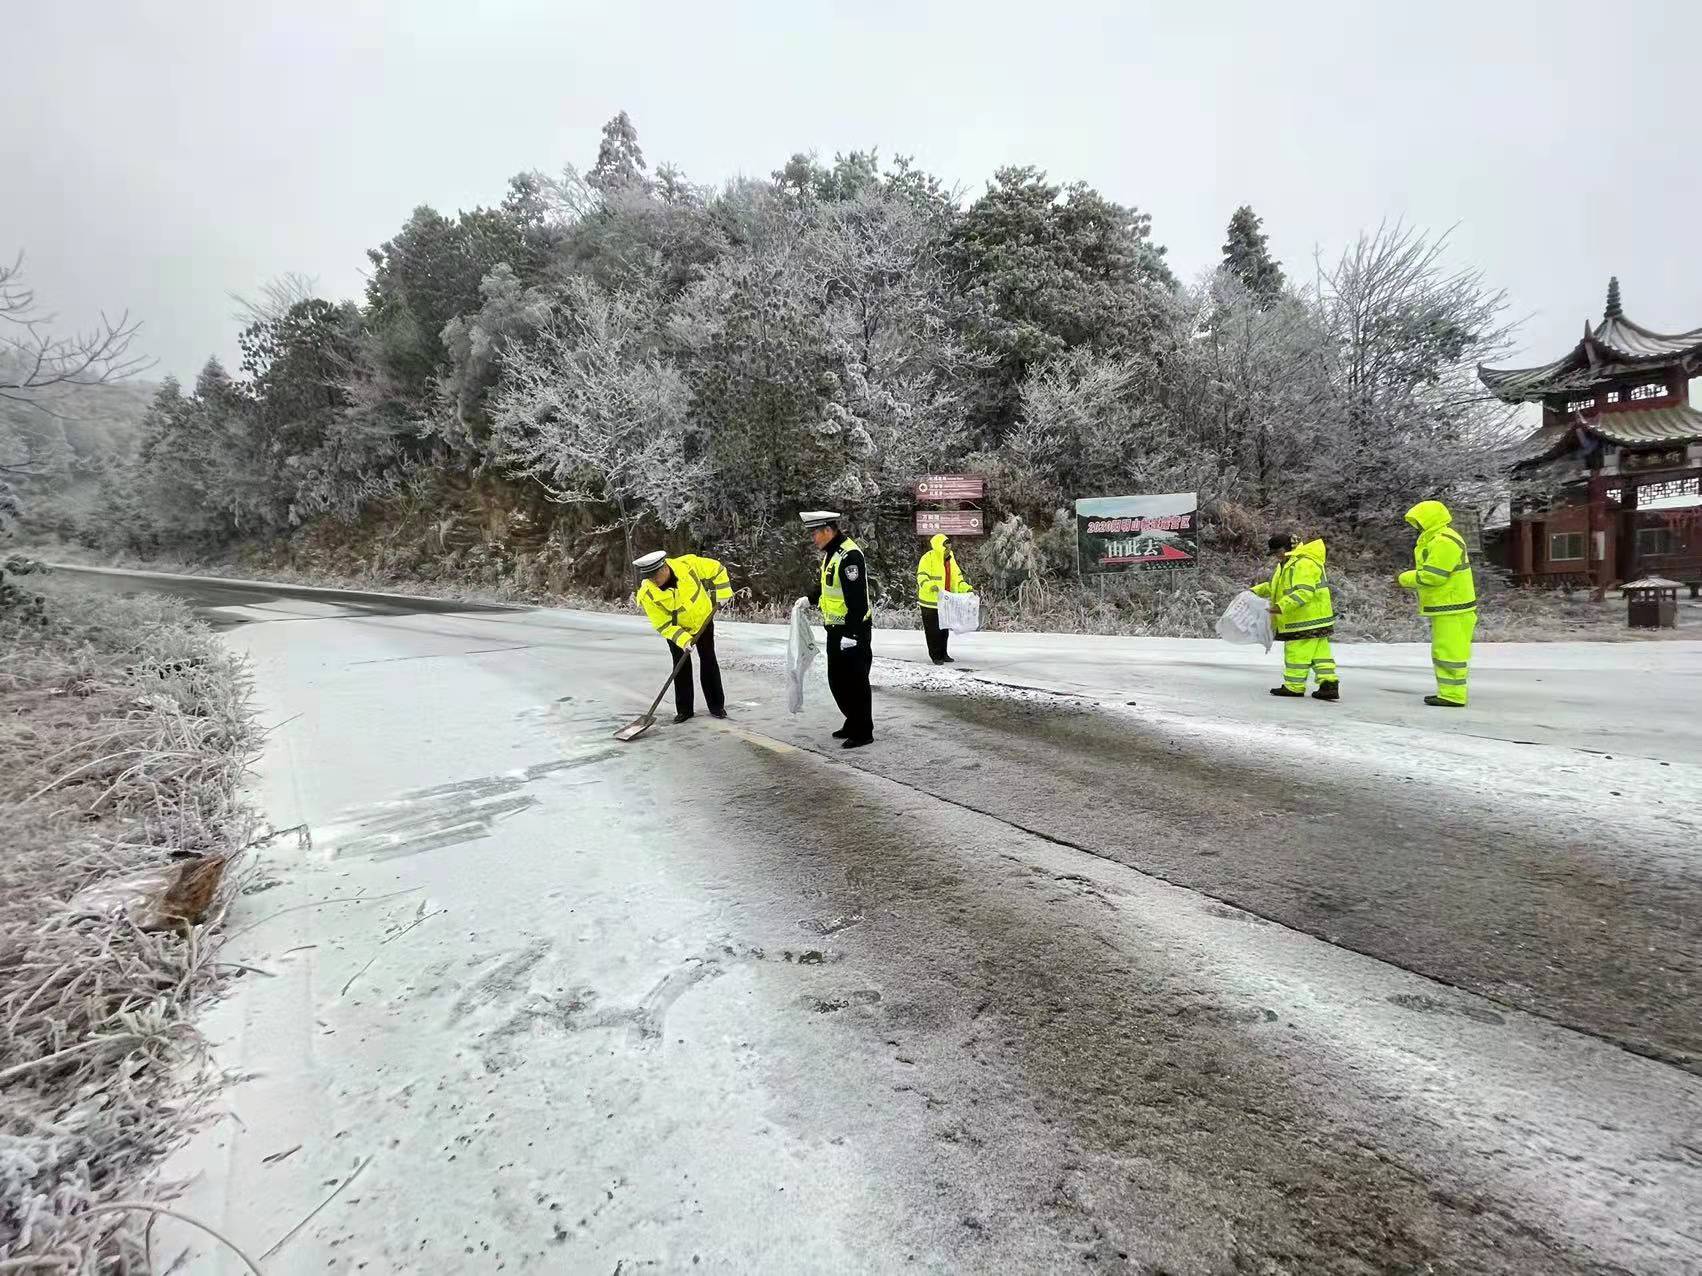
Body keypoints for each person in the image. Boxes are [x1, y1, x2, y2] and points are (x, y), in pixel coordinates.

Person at [632, 549, 734, 723]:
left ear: (664, 568)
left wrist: (723, 592)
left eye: (656, 576)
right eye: (650, 578)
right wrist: (683, 639)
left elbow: (717, 569)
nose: (654, 581)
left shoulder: (688, 565)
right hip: (677, 629)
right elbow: (663, 624)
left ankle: (717, 706)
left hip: (703, 619)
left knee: (708, 659)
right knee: (681, 666)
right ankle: (685, 710)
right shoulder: (647, 594)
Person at [802, 510, 874, 749]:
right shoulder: (832, 554)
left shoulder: (849, 555)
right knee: (838, 680)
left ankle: (863, 730)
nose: (813, 538)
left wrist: (851, 635)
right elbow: (827, 584)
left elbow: (857, 600)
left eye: (815, 533)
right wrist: (809, 599)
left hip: (852, 630)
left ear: (828, 531)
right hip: (835, 628)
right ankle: (853, 721)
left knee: (856, 681)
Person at [1396, 500, 1477, 707]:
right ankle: (1450, 692)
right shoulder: (1436, 539)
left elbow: (1434, 576)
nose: (1417, 526)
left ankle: (1453, 695)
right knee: (1446, 650)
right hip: (1449, 605)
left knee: (1449, 652)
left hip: (1453, 606)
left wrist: (1405, 579)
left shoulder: (1444, 541)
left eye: (1419, 520)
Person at [1252, 533, 1339, 701]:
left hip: (1304, 619)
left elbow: (1304, 591)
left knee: (1296, 652)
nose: (1276, 556)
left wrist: (1280, 607)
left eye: (1278, 551)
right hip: (1317, 617)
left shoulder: (1302, 563)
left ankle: (1294, 686)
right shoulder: (1288, 563)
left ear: (1288, 548)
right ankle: (1329, 684)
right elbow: (1277, 587)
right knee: (1320, 653)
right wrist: (1256, 591)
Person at [916, 532, 973, 665]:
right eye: (946, 547)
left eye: (949, 547)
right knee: (933, 630)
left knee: (944, 630)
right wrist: (931, 586)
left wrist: (968, 588)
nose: (948, 550)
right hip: (929, 603)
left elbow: (958, 580)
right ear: (938, 547)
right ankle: (935, 656)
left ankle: (943, 653)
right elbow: (921, 577)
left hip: (945, 602)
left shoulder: (951, 560)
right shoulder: (927, 558)